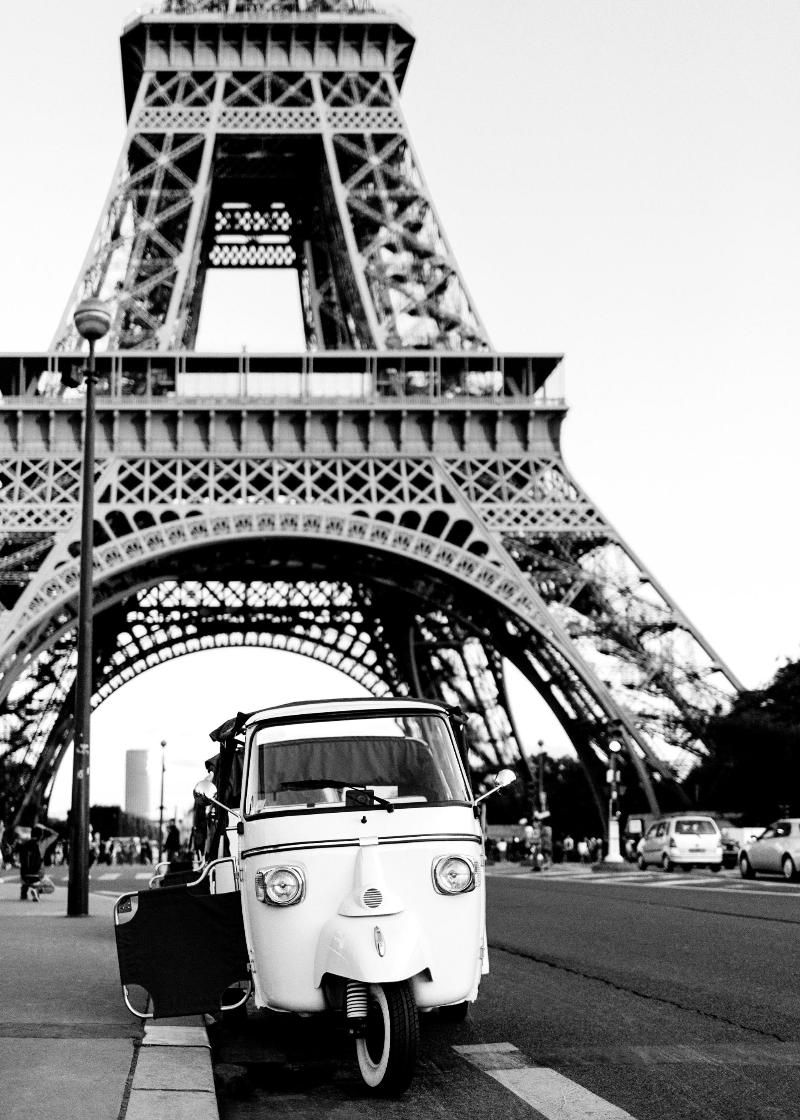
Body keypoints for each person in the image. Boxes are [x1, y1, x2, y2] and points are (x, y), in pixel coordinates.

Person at [18, 825, 57, 901]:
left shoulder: (24, 844)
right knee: (51, 888)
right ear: (41, 835)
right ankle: (37, 891)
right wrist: (45, 828)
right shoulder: (42, 844)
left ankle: (24, 892)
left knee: (27, 872)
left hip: (24, 877)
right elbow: (55, 834)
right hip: (37, 876)